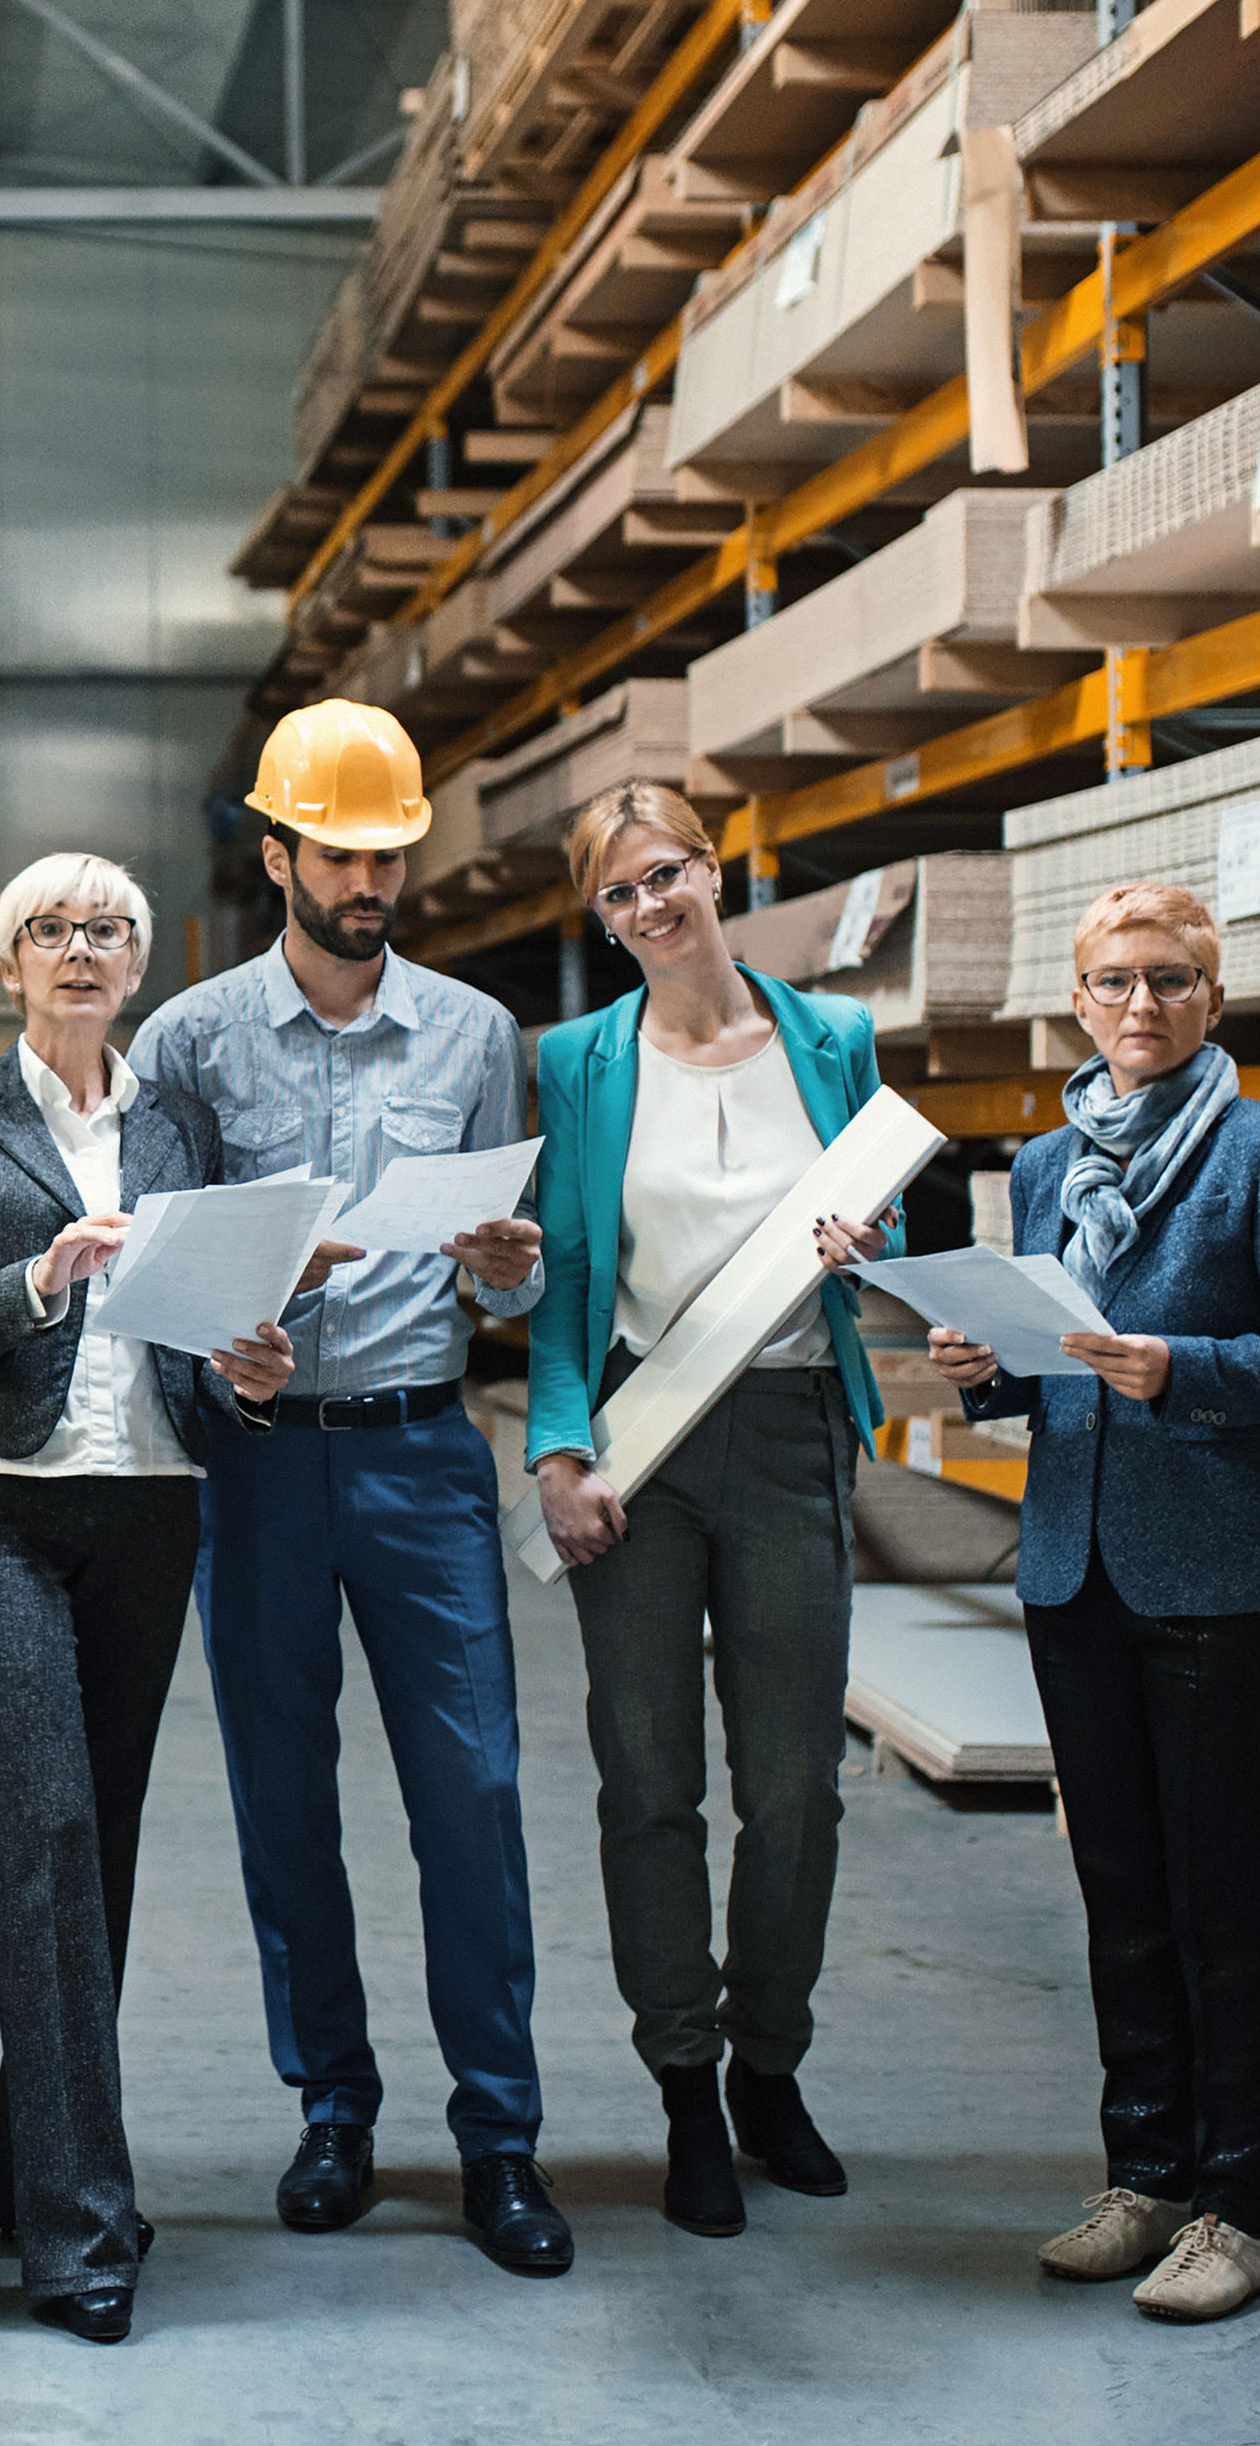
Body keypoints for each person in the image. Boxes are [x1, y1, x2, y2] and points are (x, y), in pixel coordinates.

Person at [131, 698, 573, 2278]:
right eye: (341, 852)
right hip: (258, 1470)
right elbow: (157, 1279)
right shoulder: (188, 1042)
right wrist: (214, 1359)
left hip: (420, 1456)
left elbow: (509, 1288)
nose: (370, 879)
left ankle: (502, 2138)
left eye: (390, 852)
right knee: (285, 1807)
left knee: (474, 1798)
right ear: (279, 857)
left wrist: (513, 1273)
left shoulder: (472, 1036)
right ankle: (332, 2105)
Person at [0, 852, 303, 2346]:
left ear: (138, 967)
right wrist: (42, 1281)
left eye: (107, 931)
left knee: (96, 1843)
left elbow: (208, 1327)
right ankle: (79, 2226)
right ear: (9, 964)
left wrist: (250, 1379)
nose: (79, 950)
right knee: (44, 1823)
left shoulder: (179, 1123)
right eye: (48, 930)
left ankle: (24, 2154)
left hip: (151, 1503)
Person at [927, 879, 1260, 2325]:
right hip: (1075, 1570)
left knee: (1226, 1903)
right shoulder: (1048, 1165)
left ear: (1213, 1000)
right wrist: (981, 1366)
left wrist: (1187, 1368)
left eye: (1169, 979)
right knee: (1120, 1895)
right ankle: (1146, 2176)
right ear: (1079, 998)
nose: (1140, 1006)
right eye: (1114, 981)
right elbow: (1048, 1359)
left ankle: (1236, 2207)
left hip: (1223, 1580)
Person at [523, 782, 894, 2242]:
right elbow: (561, 1272)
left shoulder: (835, 1038)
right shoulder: (575, 1059)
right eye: (617, 896)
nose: (648, 909)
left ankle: (772, 2066)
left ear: (714, 867)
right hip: (640, 1436)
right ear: (601, 919)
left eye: (664, 874)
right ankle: (684, 2080)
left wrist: (874, 1242)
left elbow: (893, 1217)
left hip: (793, 1424)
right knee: (649, 1777)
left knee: (796, 1782)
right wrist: (559, 1454)